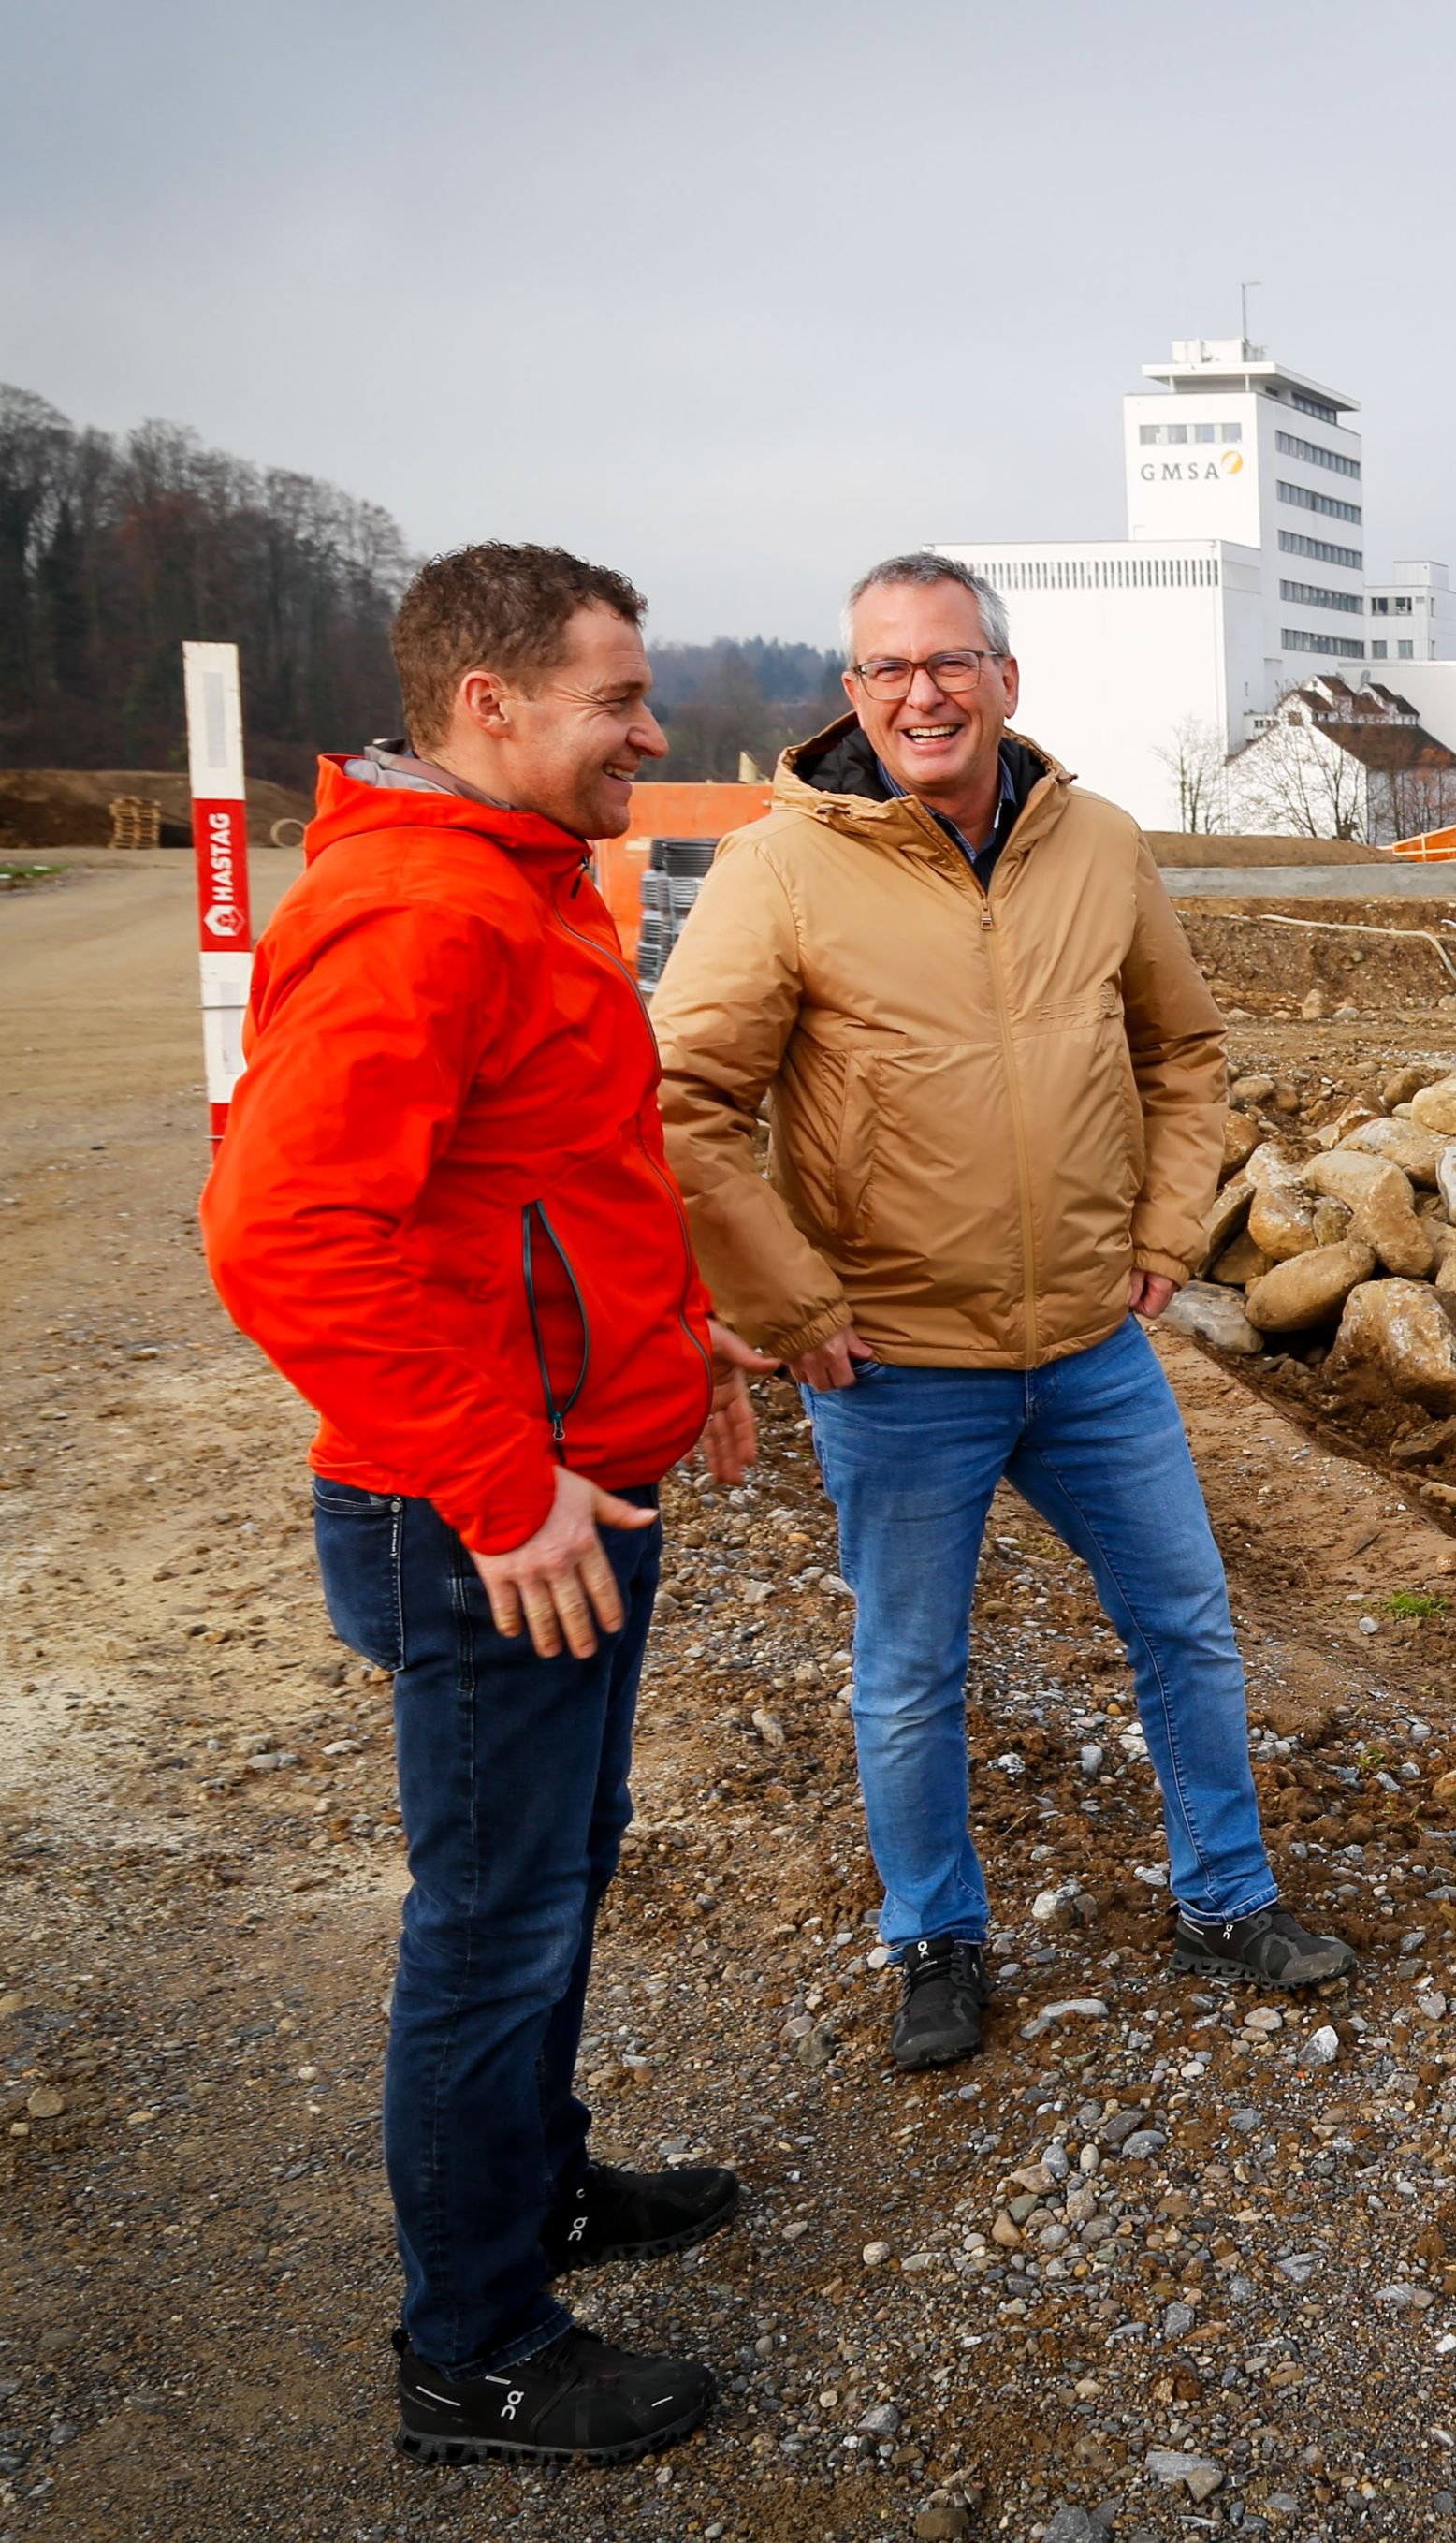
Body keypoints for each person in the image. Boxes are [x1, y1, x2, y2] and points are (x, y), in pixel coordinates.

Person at [201, 542, 771, 2465]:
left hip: (575, 1488)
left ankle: (533, 2192)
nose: (653, 729)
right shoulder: (423, 914)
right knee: (496, 1920)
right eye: (621, 698)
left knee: (559, 1870)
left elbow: (554, 1177)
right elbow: (284, 1232)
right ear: (489, 707)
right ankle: (476, 2351)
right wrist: (501, 1482)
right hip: (487, 1528)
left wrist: (675, 1348)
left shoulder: (520, 890)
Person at [651, 551, 1348, 2076]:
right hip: (898, 1359)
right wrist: (787, 1306)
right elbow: (687, 1100)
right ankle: (935, 1940)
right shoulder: (781, 867)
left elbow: (1184, 1051)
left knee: (1186, 1621)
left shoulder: (1095, 840)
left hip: (1092, 1346)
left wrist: (1168, 1224)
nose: (924, 691)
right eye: (890, 668)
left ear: (1006, 681)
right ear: (851, 696)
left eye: (951, 661)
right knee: (911, 1670)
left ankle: (1226, 1898)